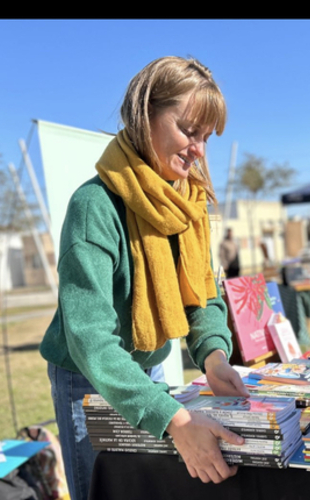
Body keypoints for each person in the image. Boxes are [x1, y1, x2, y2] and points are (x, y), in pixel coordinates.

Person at [39, 56, 250, 498]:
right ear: (144, 116)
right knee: (104, 489)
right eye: (189, 131)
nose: (198, 151)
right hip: (89, 380)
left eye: (206, 138)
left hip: (149, 372)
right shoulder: (94, 207)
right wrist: (174, 419)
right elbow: (89, 338)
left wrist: (213, 357)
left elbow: (202, 293)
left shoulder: (189, 201)